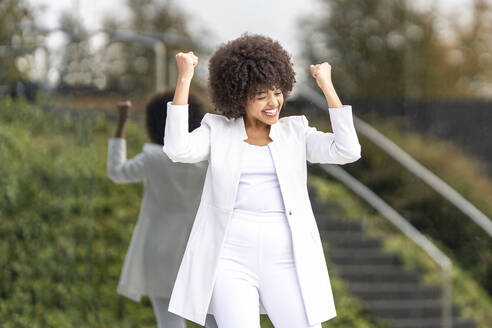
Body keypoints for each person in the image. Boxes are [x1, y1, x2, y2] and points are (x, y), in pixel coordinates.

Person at [163, 33, 362, 328]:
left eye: (277, 92)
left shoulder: (296, 132)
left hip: (287, 262)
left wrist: (327, 87)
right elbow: (178, 149)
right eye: (261, 96)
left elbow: (347, 151)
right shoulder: (216, 131)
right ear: (238, 95)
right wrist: (184, 79)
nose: (273, 103)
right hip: (229, 262)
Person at [106, 89, 218, 328]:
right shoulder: (209, 160)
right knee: (214, 318)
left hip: (160, 251)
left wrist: (122, 123)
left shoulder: (153, 157)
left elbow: (116, 172)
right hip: (202, 248)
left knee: (169, 323)